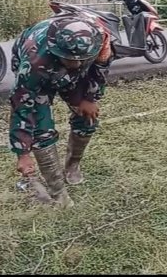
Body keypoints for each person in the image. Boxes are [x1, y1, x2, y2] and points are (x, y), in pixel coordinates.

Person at [9, 14, 112, 207]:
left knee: (88, 118)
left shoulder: (100, 39)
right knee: (42, 132)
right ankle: (58, 192)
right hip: (42, 71)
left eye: (80, 59)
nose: (75, 64)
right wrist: (22, 153)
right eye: (69, 59)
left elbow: (101, 68)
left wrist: (89, 98)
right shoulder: (33, 62)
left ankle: (72, 166)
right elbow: (22, 105)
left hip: (73, 76)